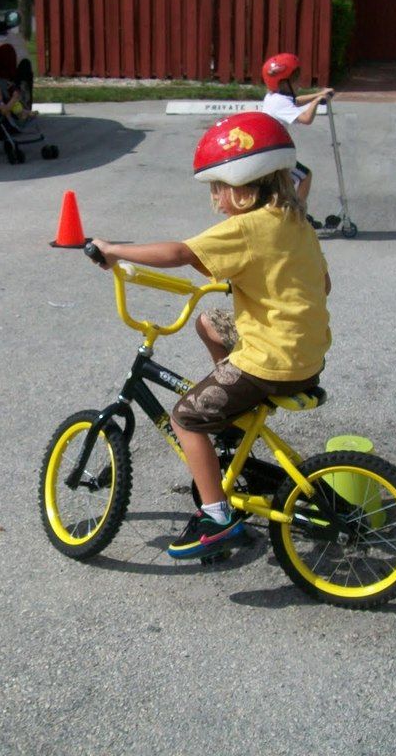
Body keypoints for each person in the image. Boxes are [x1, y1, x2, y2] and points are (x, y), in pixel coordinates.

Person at [90, 112, 332, 560]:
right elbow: (321, 284)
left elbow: (181, 253)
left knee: (185, 417)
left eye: (218, 189)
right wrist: (254, 281)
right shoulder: (294, 220)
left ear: (243, 187)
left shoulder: (246, 226)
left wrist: (113, 250)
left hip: (271, 362)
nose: (217, 200)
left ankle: (217, 518)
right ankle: (234, 414)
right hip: (307, 353)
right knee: (209, 321)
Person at [261, 53, 334, 226]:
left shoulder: (274, 97)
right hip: (275, 155)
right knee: (305, 176)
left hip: (270, 151)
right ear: (283, 83)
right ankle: (298, 217)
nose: (298, 83)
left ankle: (291, 214)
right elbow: (306, 119)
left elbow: (296, 101)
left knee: (283, 188)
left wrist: (318, 94)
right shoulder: (280, 103)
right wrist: (316, 102)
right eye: (295, 80)